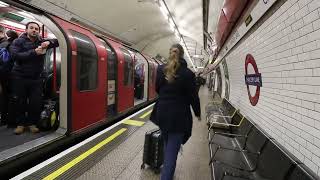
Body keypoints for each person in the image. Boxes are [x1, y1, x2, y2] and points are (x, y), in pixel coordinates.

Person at [155, 44, 201, 180]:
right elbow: (193, 96)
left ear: (170, 53)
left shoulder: (160, 69)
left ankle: (167, 173)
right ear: (182, 55)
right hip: (178, 118)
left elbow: (157, 89)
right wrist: (197, 112)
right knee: (170, 156)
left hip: (162, 115)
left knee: (167, 144)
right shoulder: (188, 74)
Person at [10, 21, 59, 134]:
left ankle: (31, 123)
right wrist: (33, 52)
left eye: (36, 29)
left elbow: (58, 42)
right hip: (20, 76)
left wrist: (48, 41)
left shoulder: (40, 41)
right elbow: (15, 55)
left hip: (36, 78)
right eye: (31, 28)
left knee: (35, 102)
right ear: (26, 30)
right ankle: (20, 124)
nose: (34, 30)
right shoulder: (18, 41)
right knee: (20, 101)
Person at [0, 27, 18, 126]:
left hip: (4, 75)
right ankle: (10, 120)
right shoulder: (10, 45)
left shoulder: (4, 44)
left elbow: (4, 62)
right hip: (12, 75)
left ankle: (4, 119)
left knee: (5, 97)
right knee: (12, 98)